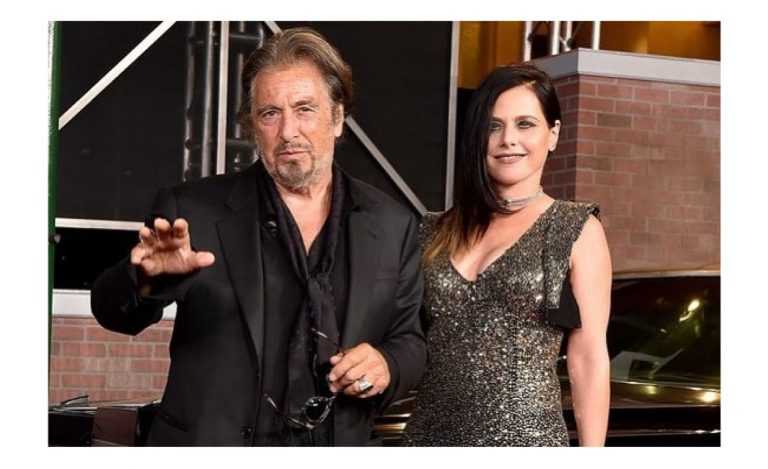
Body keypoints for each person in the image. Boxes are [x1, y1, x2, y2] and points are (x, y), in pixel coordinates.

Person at [90, 27, 426, 446]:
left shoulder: (393, 224)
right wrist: (144, 282)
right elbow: (111, 311)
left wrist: (387, 364)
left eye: (305, 109)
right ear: (252, 126)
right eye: (270, 114)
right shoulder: (192, 210)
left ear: (338, 118)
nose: (288, 132)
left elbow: (410, 341)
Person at [403, 64, 611, 446]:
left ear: (553, 134)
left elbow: (588, 358)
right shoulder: (432, 229)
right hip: (427, 439)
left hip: (527, 442)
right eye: (493, 126)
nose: (508, 139)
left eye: (525, 124)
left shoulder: (574, 228)